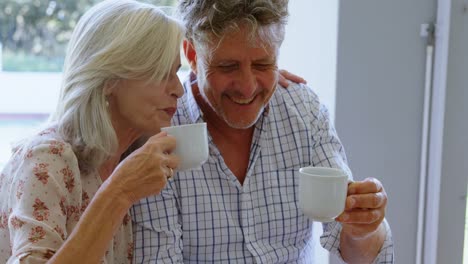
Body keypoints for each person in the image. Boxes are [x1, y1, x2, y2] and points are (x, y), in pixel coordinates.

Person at [131, 0, 394, 263]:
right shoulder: (161, 129)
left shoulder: (303, 111)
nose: (247, 88)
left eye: (262, 65)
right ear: (191, 54)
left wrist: (365, 226)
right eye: (227, 67)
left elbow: (359, 252)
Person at [0, 0, 184, 263]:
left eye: (177, 72)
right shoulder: (49, 158)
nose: (179, 89)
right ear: (110, 79)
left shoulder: (127, 158)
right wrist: (119, 192)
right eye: (163, 72)